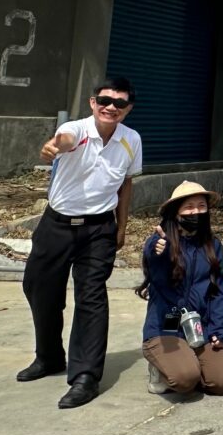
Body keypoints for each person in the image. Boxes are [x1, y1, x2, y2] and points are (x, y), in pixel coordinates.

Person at [20, 77, 144, 408]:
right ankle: (48, 357)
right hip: (57, 225)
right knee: (38, 288)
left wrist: (121, 228)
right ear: (93, 102)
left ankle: (86, 376)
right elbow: (64, 139)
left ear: (128, 109)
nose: (111, 108)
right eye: (105, 100)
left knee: (91, 297)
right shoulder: (77, 130)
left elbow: (126, 184)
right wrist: (53, 145)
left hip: (99, 229)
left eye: (120, 103)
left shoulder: (131, 140)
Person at [140, 180, 223, 398]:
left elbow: (221, 291)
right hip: (167, 327)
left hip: (201, 327)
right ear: (176, 212)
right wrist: (158, 254)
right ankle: (160, 367)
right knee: (185, 380)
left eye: (201, 206)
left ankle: (193, 361)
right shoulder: (160, 242)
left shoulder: (213, 244)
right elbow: (157, 278)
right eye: (189, 207)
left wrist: (219, 329)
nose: (196, 212)